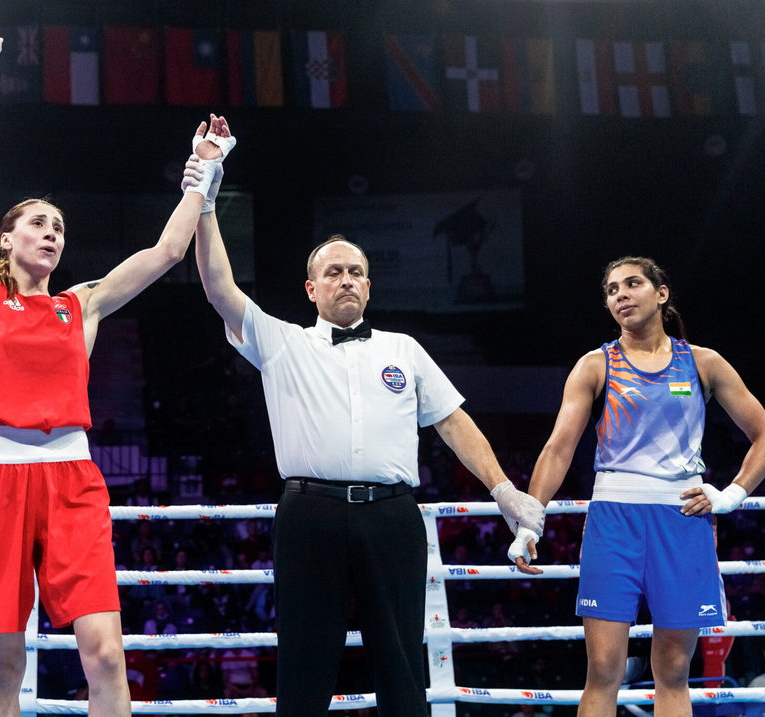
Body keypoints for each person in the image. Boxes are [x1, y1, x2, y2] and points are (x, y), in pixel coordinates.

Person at [183, 116, 544, 715]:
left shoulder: (404, 348)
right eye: (333, 272)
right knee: (304, 662)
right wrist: (209, 191)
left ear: (369, 287)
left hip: (393, 516)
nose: (345, 279)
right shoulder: (281, 342)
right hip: (309, 515)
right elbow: (218, 285)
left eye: (355, 272)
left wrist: (503, 490)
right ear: (311, 290)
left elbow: (453, 422)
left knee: (402, 662)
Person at [0, 9, 224, 716]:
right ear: (7, 236)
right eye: (39, 221)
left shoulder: (81, 305)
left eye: (60, 228)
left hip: (72, 481)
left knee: (106, 655)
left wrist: (205, 176)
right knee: (2, 667)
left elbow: (163, 255)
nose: (53, 233)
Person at [510, 256, 765, 717]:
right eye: (612, 289)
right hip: (613, 520)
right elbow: (558, 448)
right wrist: (529, 520)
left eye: (632, 283)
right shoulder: (594, 365)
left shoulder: (703, 363)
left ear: (661, 293)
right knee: (603, 669)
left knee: (674, 671)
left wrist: (731, 494)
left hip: (683, 519)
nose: (620, 294)